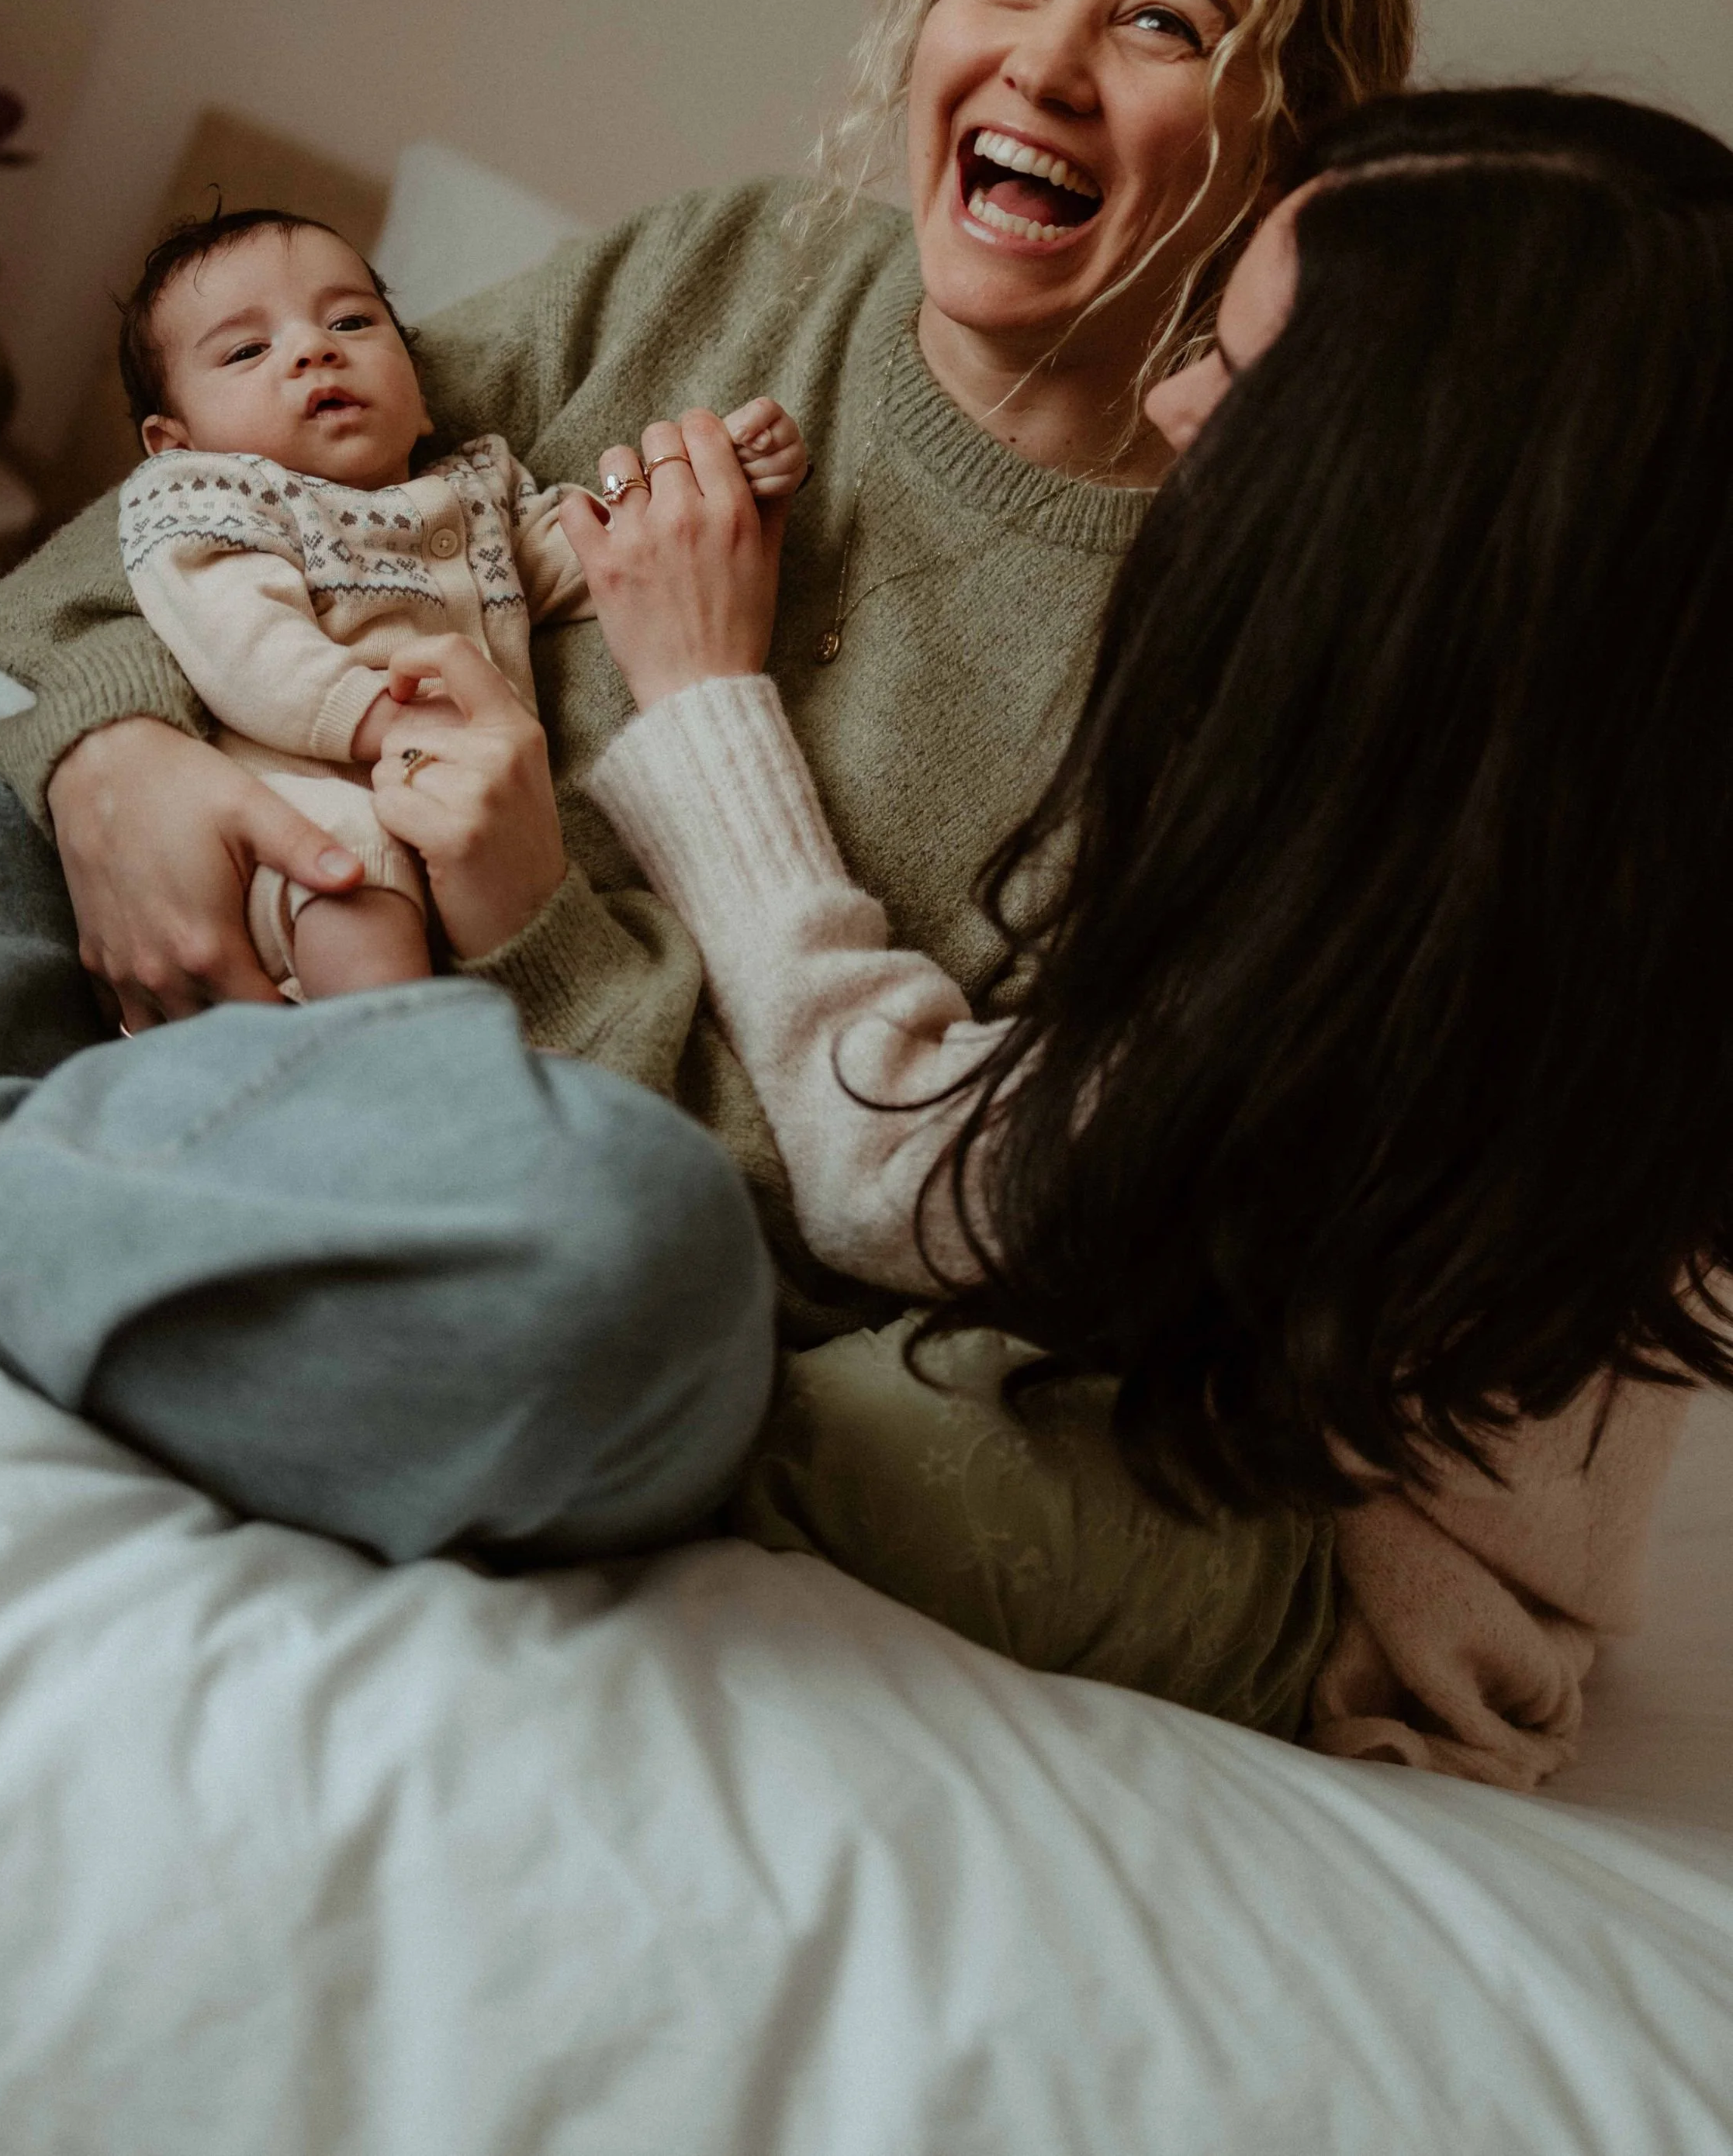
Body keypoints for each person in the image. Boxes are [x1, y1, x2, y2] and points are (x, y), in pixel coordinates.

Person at [0, 0, 1414, 1333]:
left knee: (623, 1299)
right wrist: (115, 763)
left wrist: (533, 930)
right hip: (232, 947)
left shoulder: (1225, 663)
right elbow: (153, 527)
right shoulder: (731, 264)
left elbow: (840, 1215)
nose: (1040, 64)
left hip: (553, 1216)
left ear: (1284, 160)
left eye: (1161, 22)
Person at [566, 86, 1733, 1784]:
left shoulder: (1457, 913)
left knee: (820, 1420)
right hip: (1194, 1356)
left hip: (1345, 1565)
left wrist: (701, 698)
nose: (1171, 398)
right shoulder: (1537, 751)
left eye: (1241, 377)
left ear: (1409, 506)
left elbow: (901, 1172)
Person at [108, 199, 802, 997]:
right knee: (357, 867)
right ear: (175, 444)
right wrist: (383, 721)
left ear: (420, 393)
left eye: (352, 324)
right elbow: (243, 647)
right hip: (302, 813)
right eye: (247, 349)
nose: (311, 351)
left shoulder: (476, 492)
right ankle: (398, 1067)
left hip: (471, 844)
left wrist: (717, 483)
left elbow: (598, 557)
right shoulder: (213, 502)